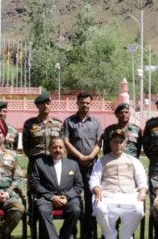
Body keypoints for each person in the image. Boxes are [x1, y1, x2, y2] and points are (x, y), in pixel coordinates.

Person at [90, 129, 147, 239]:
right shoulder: (102, 161)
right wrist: (97, 190)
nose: (118, 144)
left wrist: (143, 192)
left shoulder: (134, 161)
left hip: (129, 195)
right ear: (110, 143)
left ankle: (125, 235)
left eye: (121, 141)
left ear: (125, 144)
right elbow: (94, 179)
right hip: (108, 195)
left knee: (138, 210)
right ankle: (111, 236)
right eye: (115, 141)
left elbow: (142, 179)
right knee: (101, 209)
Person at [61, 92, 103, 239]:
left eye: (87, 103)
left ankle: (89, 233)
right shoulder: (69, 121)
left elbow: (99, 142)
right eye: (82, 102)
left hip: (91, 166)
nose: (85, 105)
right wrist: (80, 156)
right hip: (73, 166)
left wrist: (90, 156)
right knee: (73, 198)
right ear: (77, 103)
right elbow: (65, 142)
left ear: (90, 104)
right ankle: (72, 232)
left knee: (90, 200)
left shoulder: (96, 122)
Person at [29, 136, 83, 239]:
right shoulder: (39, 163)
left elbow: (79, 185)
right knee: (43, 210)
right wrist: (51, 197)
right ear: (49, 148)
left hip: (68, 198)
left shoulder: (73, 164)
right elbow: (35, 183)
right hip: (47, 198)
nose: (57, 150)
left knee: (75, 210)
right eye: (54, 147)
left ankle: (65, 236)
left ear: (64, 149)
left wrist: (67, 197)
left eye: (60, 147)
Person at [22, 92, 64, 172]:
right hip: (36, 162)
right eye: (43, 104)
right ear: (37, 106)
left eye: (48, 103)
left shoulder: (58, 124)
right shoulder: (29, 124)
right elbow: (26, 146)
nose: (46, 106)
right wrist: (34, 158)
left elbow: (62, 144)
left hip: (54, 162)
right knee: (34, 184)